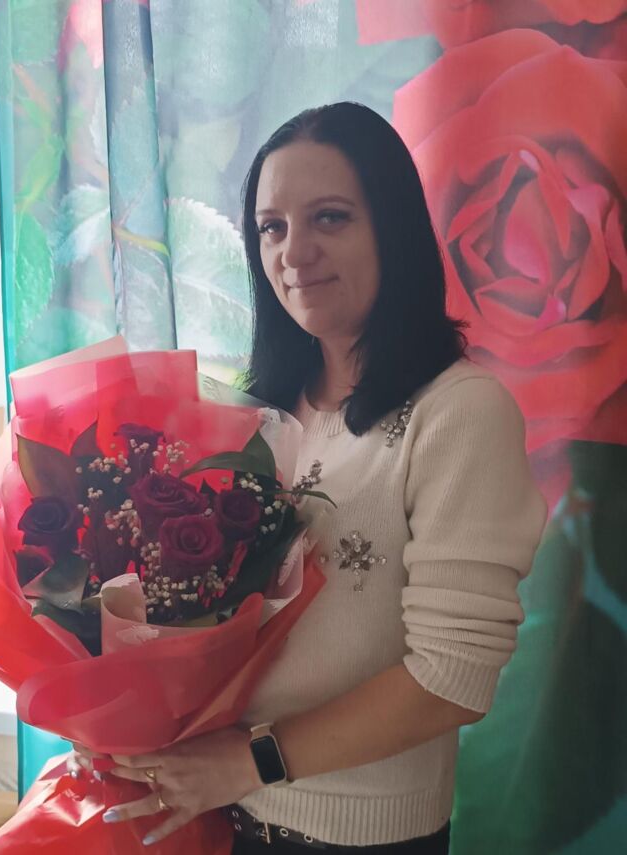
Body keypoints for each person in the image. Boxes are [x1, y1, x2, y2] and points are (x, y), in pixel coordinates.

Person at [73, 102, 547, 853]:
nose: (294, 252)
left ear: (393, 228)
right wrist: (119, 720)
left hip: (359, 837)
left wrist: (249, 760)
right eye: (271, 227)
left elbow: (452, 677)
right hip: (216, 817)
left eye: (330, 217)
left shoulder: (459, 412)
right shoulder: (250, 416)